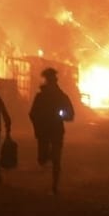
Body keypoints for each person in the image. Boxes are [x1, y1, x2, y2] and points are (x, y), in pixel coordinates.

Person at [29, 67, 74, 195]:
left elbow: (70, 115)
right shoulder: (41, 97)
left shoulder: (61, 97)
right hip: (44, 132)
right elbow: (32, 114)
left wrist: (63, 115)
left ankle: (54, 186)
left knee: (56, 160)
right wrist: (37, 127)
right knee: (42, 159)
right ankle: (50, 156)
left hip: (56, 131)